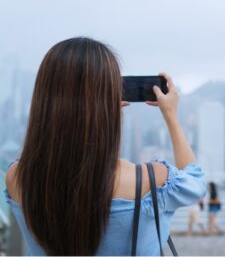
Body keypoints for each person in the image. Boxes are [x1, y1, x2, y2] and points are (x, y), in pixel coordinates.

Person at [4, 37, 206, 255]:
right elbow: (195, 180)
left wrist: (96, 111)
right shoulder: (150, 179)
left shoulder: (17, 177)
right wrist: (171, 116)